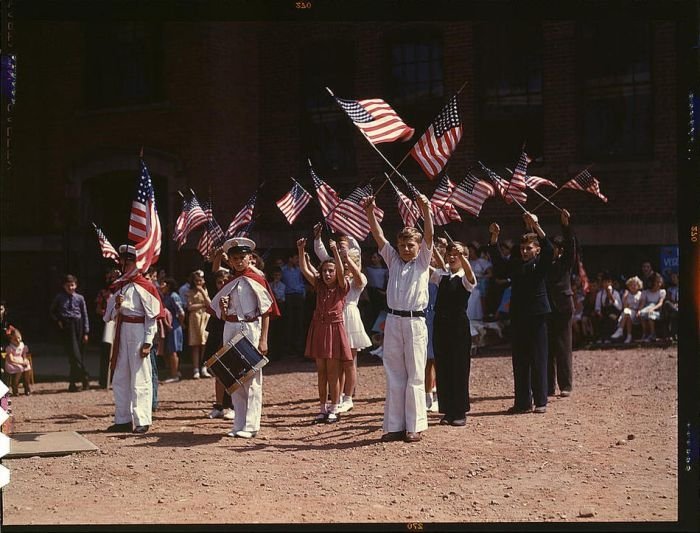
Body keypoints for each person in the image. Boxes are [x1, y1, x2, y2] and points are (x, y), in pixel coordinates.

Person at [363, 191, 433, 443]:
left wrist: (425, 210)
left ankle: (414, 426)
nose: (405, 249)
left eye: (410, 245)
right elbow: (378, 237)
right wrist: (370, 212)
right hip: (393, 321)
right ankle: (394, 425)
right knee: (394, 371)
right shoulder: (392, 260)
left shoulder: (423, 261)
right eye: (402, 245)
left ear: (418, 247)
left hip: (415, 321)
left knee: (415, 373)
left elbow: (429, 236)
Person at [209, 237, 279, 438]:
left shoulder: (256, 280)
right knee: (234, 377)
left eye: (242, 257)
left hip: (250, 329)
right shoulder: (229, 282)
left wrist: (263, 339)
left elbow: (266, 310)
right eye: (234, 258)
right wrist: (223, 310)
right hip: (230, 327)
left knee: (251, 378)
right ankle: (238, 424)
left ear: (250, 258)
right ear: (229, 261)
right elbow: (220, 312)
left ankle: (251, 425)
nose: (239, 261)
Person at [487, 212, 554, 415]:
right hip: (518, 315)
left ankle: (541, 400)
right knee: (520, 359)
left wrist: (536, 225)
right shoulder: (516, 264)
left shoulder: (541, 263)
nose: (525, 251)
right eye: (523, 248)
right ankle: (522, 402)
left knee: (539, 357)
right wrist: (494, 239)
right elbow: (499, 266)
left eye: (529, 248)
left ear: (537, 250)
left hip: (537, 315)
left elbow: (549, 249)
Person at [103, 245, 163, 434]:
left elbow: (151, 316)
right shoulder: (120, 285)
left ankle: (142, 419)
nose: (125, 264)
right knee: (121, 377)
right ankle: (123, 418)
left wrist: (147, 341)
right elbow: (108, 315)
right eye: (123, 261)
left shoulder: (146, 286)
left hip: (138, 331)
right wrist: (117, 307)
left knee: (140, 377)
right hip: (122, 331)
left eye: (129, 261)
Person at [312, 227, 370, 413]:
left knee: (349, 361)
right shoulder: (335, 280)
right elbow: (323, 256)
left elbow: (359, 278)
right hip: (333, 320)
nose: (344, 267)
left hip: (350, 318)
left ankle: (348, 397)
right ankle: (336, 398)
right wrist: (317, 239)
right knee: (336, 361)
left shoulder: (358, 280)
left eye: (348, 264)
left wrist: (347, 258)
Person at [298, 237, 350, 423]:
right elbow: (304, 269)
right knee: (321, 371)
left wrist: (335, 251)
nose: (328, 274)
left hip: (335, 329)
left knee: (333, 372)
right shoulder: (319, 285)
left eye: (331, 271)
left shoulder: (342, 287)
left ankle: (335, 407)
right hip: (319, 327)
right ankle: (322, 408)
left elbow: (342, 273)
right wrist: (301, 249)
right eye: (325, 271)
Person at [432, 241, 477, 426]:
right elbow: (429, 262)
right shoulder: (442, 275)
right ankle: (448, 410)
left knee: (459, 367)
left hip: (458, 326)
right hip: (441, 324)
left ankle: (460, 411)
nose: (451, 257)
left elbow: (470, 276)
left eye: (455, 255)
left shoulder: (465, 278)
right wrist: (433, 245)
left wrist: (464, 257)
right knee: (443, 366)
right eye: (449, 254)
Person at [545, 209, 576, 398]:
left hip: (563, 307)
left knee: (563, 347)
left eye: (554, 248)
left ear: (559, 250)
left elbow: (571, 246)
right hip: (547, 308)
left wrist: (566, 226)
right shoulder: (544, 264)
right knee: (547, 348)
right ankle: (548, 386)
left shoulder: (564, 262)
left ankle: (565, 385)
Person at [49, 274, 90, 392]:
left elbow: (85, 314)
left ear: (76, 285)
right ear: (64, 286)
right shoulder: (59, 297)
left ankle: (73, 383)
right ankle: (85, 377)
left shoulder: (80, 298)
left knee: (78, 355)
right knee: (73, 354)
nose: (70, 288)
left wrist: (86, 331)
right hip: (67, 327)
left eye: (72, 285)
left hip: (79, 325)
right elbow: (52, 311)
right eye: (68, 286)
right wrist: (58, 321)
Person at [204, 268, 235, 420]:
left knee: (229, 370)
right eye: (219, 282)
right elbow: (211, 272)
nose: (222, 284)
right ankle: (219, 405)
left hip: (230, 332)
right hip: (216, 332)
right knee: (216, 369)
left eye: (225, 281)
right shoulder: (215, 295)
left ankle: (230, 405)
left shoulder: (235, 296)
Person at [95, 268, 122, 389]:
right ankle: (104, 379)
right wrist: (109, 314)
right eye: (111, 277)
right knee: (106, 351)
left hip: (121, 324)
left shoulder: (122, 290)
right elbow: (98, 309)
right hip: (108, 324)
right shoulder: (104, 293)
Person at [186, 271, 212, 379]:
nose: (199, 282)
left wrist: (203, 293)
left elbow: (209, 304)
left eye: (200, 280)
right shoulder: (190, 292)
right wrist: (202, 305)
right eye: (197, 281)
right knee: (196, 344)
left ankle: (204, 367)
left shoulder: (206, 291)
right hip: (195, 319)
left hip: (205, 318)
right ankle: (195, 368)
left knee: (205, 343)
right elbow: (189, 307)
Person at [281, 250, 306, 358]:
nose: (297, 260)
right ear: (290, 259)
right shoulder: (283, 270)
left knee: (299, 322)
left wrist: (303, 292)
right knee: (289, 322)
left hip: (298, 296)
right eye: (295, 258)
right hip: (288, 296)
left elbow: (301, 282)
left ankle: (298, 348)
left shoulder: (299, 270)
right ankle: (288, 348)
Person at [159, 278, 185, 383]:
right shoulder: (165, 296)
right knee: (168, 350)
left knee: (173, 351)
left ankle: (174, 375)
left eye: (163, 283)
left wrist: (181, 323)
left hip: (174, 325)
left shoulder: (174, 296)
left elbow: (181, 312)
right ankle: (173, 371)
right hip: (168, 325)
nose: (161, 286)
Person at [611, 276, 643, 344]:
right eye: (631, 285)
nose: (633, 286)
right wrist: (625, 298)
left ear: (638, 285)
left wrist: (639, 311)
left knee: (627, 313)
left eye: (635, 285)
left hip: (636, 313)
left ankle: (620, 330)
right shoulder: (627, 294)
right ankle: (629, 336)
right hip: (627, 313)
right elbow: (625, 307)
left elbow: (641, 305)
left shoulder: (641, 294)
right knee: (627, 313)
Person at [593, 272, 622, 342]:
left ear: (611, 283)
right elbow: (597, 307)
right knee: (597, 318)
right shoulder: (600, 294)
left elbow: (620, 307)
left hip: (614, 312)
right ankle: (599, 338)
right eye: (604, 282)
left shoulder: (615, 293)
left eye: (608, 282)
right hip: (603, 312)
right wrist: (599, 312)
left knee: (610, 317)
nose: (606, 284)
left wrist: (611, 298)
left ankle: (608, 338)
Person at [4, 326, 32, 396]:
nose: (18, 340)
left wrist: (25, 360)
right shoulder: (10, 348)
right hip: (12, 363)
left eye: (19, 338)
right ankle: (15, 386)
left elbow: (24, 355)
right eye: (15, 339)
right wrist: (21, 363)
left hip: (21, 361)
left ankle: (26, 386)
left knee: (27, 367)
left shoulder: (22, 345)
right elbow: (11, 359)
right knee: (20, 368)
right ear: (11, 340)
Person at [639, 273, 666, 342]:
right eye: (657, 282)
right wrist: (639, 310)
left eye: (660, 282)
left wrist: (652, 309)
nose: (659, 284)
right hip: (647, 309)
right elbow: (642, 303)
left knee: (650, 315)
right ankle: (645, 333)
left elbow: (660, 303)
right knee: (641, 314)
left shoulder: (662, 292)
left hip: (656, 311)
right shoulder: (645, 292)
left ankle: (652, 334)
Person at [267, 266, 286, 358]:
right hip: (271, 309)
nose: (276, 277)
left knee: (280, 331)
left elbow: (281, 297)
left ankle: (279, 353)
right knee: (271, 331)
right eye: (275, 275)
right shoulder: (270, 285)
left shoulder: (283, 285)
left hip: (280, 307)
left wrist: (274, 294)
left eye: (278, 275)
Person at [662, 272, 679, 341]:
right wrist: (674, 305)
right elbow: (669, 299)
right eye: (672, 278)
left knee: (673, 315)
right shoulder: (670, 289)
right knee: (667, 303)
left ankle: (671, 334)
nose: (673, 279)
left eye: (674, 278)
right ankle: (673, 334)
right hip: (672, 306)